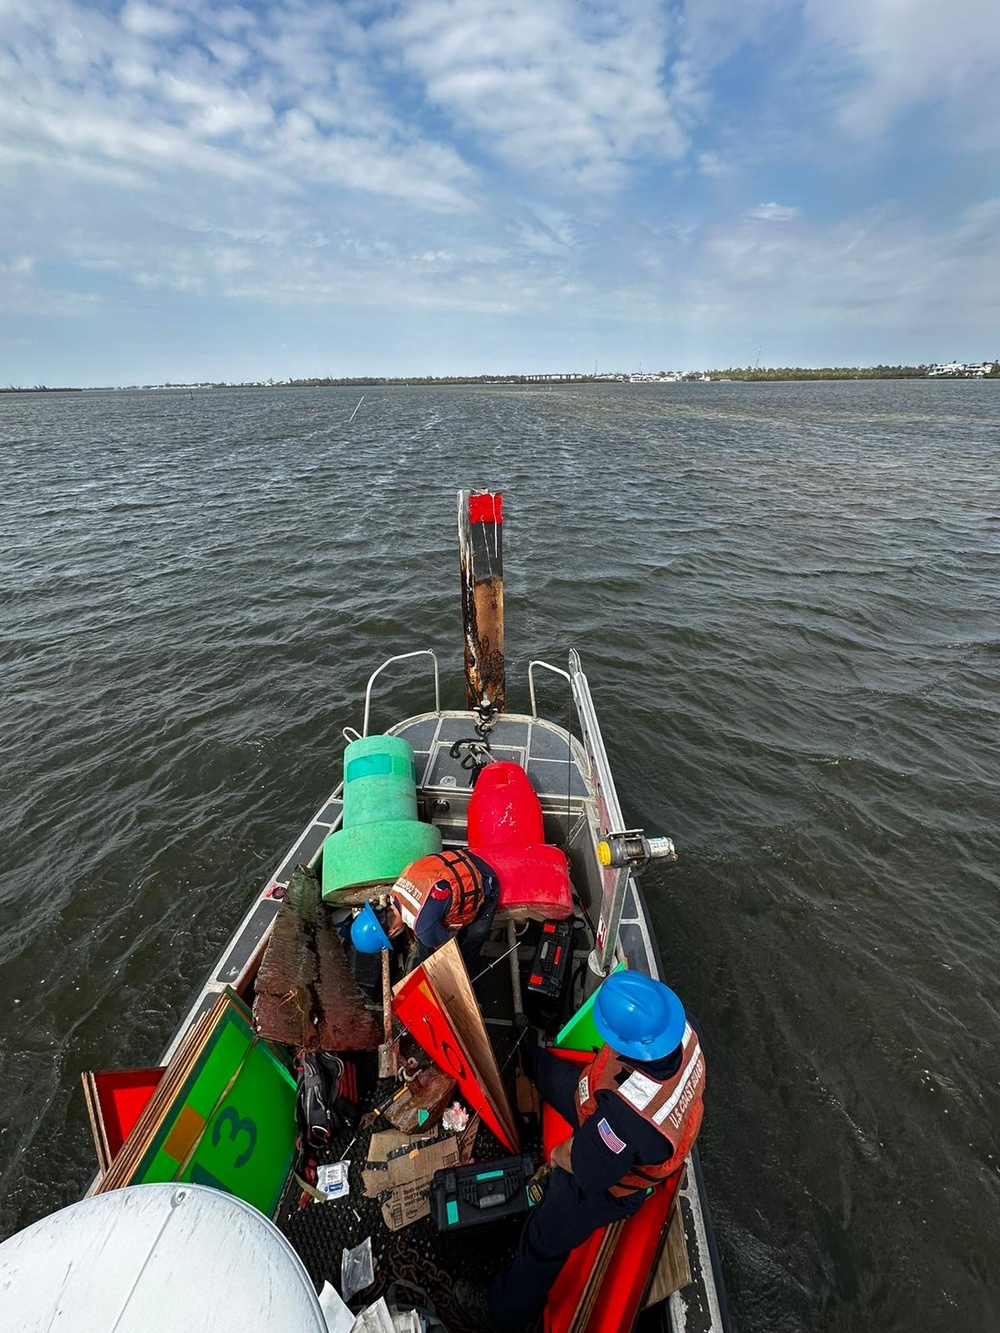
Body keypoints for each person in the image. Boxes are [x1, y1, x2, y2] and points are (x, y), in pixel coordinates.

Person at [457, 971, 706, 1331]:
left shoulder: (628, 1118)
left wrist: (556, 1155)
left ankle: (502, 1312)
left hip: (612, 1183)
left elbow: (583, 1164)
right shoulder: (686, 1029)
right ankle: (530, 1057)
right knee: (553, 1075)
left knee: (545, 1237)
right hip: (601, 1104)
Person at [386, 847, 500, 976]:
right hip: (465, 858)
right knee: (428, 939)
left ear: (392, 931)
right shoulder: (395, 891)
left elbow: (449, 954)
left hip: (485, 879)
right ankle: (426, 968)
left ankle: (469, 977)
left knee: (472, 939)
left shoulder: (423, 927)